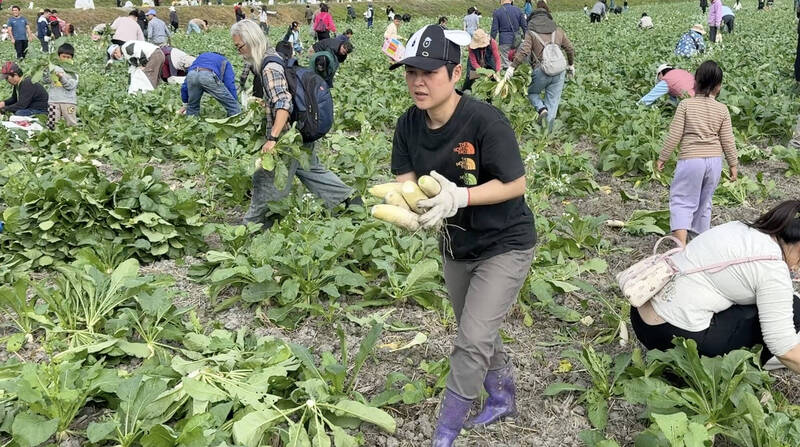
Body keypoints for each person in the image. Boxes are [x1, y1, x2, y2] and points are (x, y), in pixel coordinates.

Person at [388, 24, 535, 447]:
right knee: (476, 329)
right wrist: (415, 208)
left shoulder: (485, 121)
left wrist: (461, 197)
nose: (418, 81)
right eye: (411, 71)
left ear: (455, 74)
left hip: (505, 242)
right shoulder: (408, 126)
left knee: (470, 339)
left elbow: (515, 184)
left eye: (429, 73)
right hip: (456, 246)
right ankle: (503, 394)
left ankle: (445, 432)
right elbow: (406, 181)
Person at [630, 200, 800, 372]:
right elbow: (784, 349)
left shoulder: (740, 229)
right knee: (795, 308)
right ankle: (737, 367)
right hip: (677, 343)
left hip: (641, 318)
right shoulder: (773, 269)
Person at [230, 20, 358, 230]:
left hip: (286, 137)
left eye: (240, 47)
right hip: (300, 131)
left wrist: (272, 138)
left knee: (266, 180)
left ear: (251, 42)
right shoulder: (275, 55)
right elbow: (282, 95)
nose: (239, 52)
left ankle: (252, 228)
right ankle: (350, 202)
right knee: (311, 169)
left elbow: (283, 103)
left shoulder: (268, 67)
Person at [656, 61, 738, 246]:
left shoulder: (686, 105)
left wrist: (663, 157)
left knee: (682, 200)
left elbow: (674, 134)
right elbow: (728, 140)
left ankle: (680, 248)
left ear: (695, 82)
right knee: (704, 202)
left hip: (691, 159)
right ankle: (699, 246)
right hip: (715, 162)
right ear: (718, 86)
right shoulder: (722, 109)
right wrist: (733, 164)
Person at [505, 1, 574, 128]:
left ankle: (541, 109)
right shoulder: (557, 30)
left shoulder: (531, 32)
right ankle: (547, 133)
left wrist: (512, 67)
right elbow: (569, 48)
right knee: (553, 101)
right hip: (560, 70)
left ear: (532, 20)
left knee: (531, 93)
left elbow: (524, 51)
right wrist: (570, 65)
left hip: (542, 70)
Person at [179, 52, 239, 117]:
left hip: (192, 74)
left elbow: (185, 86)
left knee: (192, 106)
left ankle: (191, 122)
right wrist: (234, 100)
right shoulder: (225, 61)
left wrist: (185, 104)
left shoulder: (200, 58)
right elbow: (229, 83)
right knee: (233, 106)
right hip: (207, 75)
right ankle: (236, 120)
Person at [44, 43, 78, 128]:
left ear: (72, 58)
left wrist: (61, 78)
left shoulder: (73, 71)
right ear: (59, 57)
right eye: (64, 56)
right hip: (53, 101)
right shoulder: (53, 68)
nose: (66, 59)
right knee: (52, 123)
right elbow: (45, 80)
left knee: (71, 123)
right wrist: (45, 70)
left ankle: (73, 139)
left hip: (68, 102)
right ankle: (53, 139)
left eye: (68, 57)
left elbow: (70, 86)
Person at [491, 0, 527, 69]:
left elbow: (494, 29)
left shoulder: (497, 12)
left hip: (504, 39)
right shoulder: (518, 10)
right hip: (517, 39)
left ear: (501, 1)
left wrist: (492, 41)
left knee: (505, 63)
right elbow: (524, 26)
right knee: (518, 61)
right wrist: (527, 39)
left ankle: (507, 78)